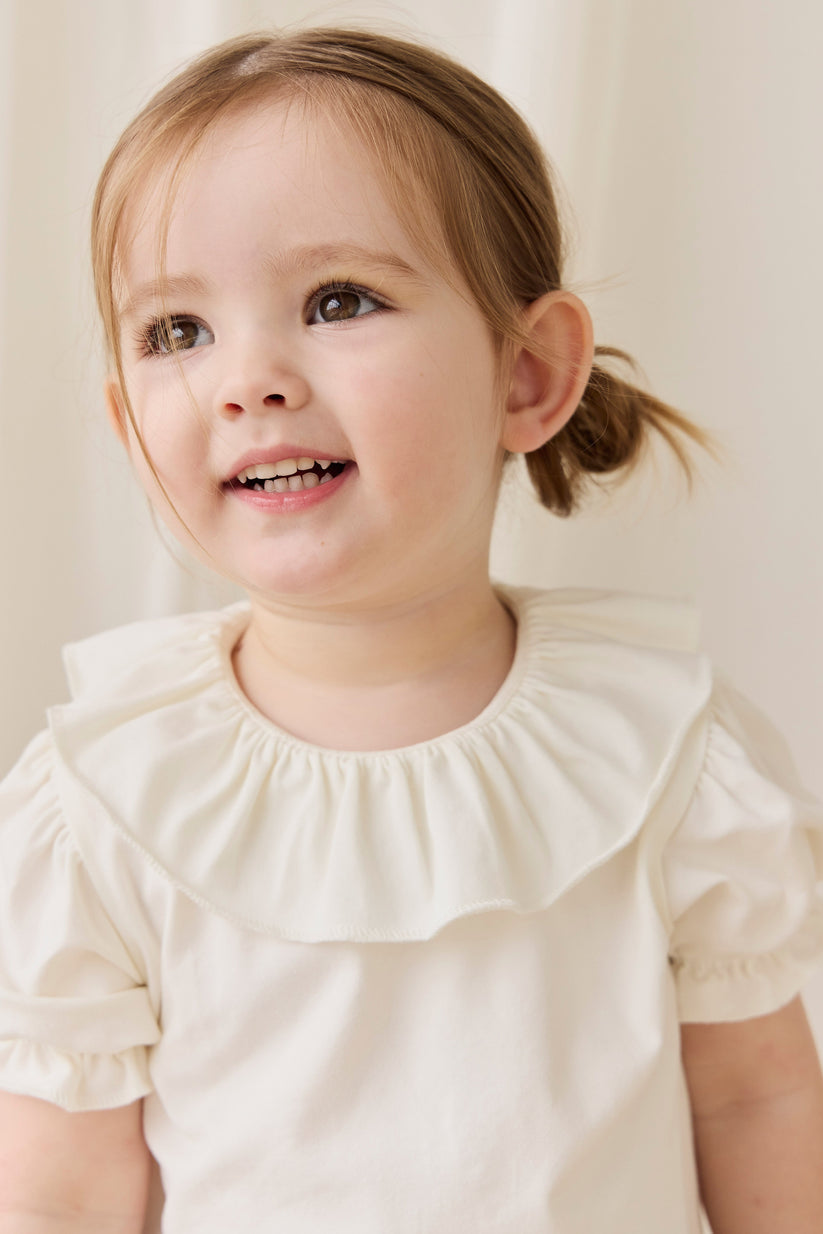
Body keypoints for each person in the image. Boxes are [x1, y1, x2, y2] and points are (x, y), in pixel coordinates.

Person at [0, 26, 821, 1234]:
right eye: (179, 331)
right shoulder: (107, 796)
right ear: (130, 429)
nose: (247, 379)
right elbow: (68, 1187)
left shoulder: (667, 750)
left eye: (338, 301)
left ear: (528, 375)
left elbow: (755, 1101)